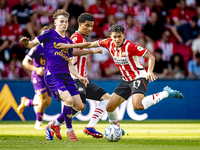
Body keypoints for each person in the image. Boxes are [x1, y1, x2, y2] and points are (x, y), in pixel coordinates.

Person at [57, 24, 183, 121]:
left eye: (119, 36)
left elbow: (151, 57)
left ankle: (166, 92)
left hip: (138, 77)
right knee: (109, 107)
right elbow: (89, 44)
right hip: (126, 80)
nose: (116, 39)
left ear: (123, 35)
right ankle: (115, 128)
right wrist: (68, 46)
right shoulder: (108, 43)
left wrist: (149, 71)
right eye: (114, 37)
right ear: (111, 37)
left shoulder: (131, 46)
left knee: (137, 106)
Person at [46, 13, 122, 140]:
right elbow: (72, 50)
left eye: (91, 26)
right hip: (74, 78)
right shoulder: (76, 37)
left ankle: (87, 126)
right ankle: (55, 124)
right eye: (86, 25)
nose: (89, 28)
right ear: (80, 24)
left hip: (83, 79)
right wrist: (91, 51)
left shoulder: (83, 39)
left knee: (107, 99)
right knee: (79, 106)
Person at [20, 9, 88, 141]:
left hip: (66, 76)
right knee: (68, 100)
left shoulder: (68, 42)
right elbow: (31, 44)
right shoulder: (49, 33)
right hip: (52, 75)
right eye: (61, 21)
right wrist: (26, 43)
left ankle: (54, 124)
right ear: (55, 22)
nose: (64, 24)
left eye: (66, 22)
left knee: (80, 106)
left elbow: (69, 64)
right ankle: (70, 131)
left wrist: (79, 76)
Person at [17, 26, 52, 130]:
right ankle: (38, 123)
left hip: (48, 77)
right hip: (38, 77)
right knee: (42, 99)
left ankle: (26, 102)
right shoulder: (36, 47)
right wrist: (35, 69)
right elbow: (25, 62)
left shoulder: (52, 47)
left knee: (47, 102)